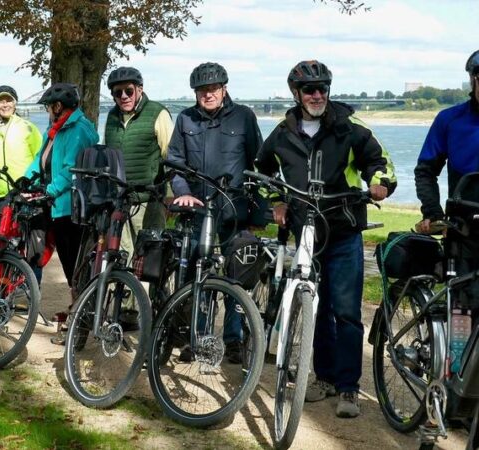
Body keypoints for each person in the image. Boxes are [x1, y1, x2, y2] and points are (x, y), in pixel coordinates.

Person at [255, 60, 396, 418]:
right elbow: (262, 169)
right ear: (296, 94)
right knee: (315, 306)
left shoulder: (350, 127)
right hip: (306, 232)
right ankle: (324, 378)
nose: (317, 95)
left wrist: (379, 183)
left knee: (346, 311)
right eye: (309, 90)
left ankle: (348, 387)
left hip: (344, 229)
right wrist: (278, 201)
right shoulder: (283, 132)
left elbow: (380, 161)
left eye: (322, 88)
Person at [166, 62, 265, 365]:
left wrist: (257, 204)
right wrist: (182, 191)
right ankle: (199, 337)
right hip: (198, 209)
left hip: (235, 207)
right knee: (199, 273)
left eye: (212, 89)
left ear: (224, 89)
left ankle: (234, 340)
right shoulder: (185, 119)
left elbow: (258, 161)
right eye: (201, 91)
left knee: (236, 277)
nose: (207, 95)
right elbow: (174, 161)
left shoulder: (244, 117)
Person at [24, 82, 98, 323]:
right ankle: (78, 308)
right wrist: (25, 181)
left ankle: (82, 314)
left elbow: (70, 169)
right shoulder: (55, 130)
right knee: (67, 262)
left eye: (48, 107)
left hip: (73, 206)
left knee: (74, 263)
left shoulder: (78, 130)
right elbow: (40, 159)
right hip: (56, 204)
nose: (47, 111)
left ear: (58, 106)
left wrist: (51, 190)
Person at [414, 49, 479, 306]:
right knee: (465, 308)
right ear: (473, 80)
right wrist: (432, 211)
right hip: (464, 233)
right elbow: (426, 170)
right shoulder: (450, 120)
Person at [104, 66, 174, 259]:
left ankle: (151, 291)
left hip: (148, 201)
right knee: (123, 257)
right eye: (118, 93)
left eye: (129, 90)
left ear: (139, 90)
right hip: (120, 201)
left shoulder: (157, 113)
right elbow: (109, 156)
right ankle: (125, 290)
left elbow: (171, 156)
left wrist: (169, 194)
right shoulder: (111, 117)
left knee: (150, 259)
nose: (124, 96)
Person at [0, 85, 42, 201]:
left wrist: (34, 184)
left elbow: (40, 157)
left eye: (9, 101)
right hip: (0, 194)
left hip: (26, 191)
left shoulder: (28, 128)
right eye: (1, 102)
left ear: (15, 104)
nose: (5, 105)